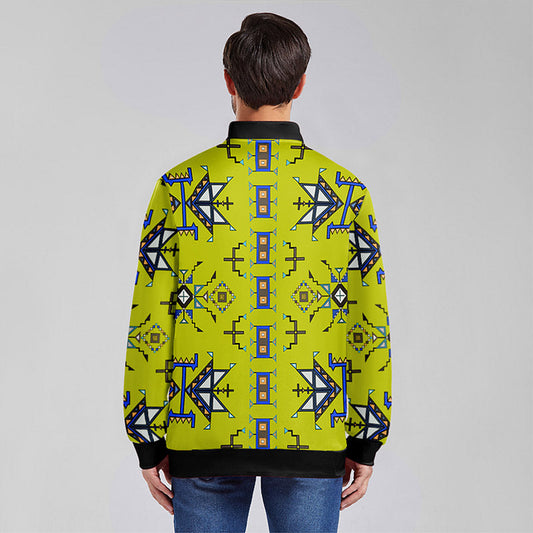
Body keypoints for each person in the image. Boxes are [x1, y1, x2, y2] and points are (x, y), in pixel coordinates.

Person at [123, 12, 392, 533]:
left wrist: (146, 436)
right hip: (313, 430)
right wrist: (367, 436)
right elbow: (368, 321)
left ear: (229, 81)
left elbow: (150, 320)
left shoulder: (179, 189)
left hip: (202, 429)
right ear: (301, 84)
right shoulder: (344, 193)